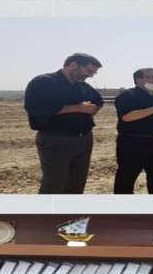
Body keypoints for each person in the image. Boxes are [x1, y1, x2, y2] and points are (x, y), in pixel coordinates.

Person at [23, 53, 104, 194]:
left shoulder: (83, 86)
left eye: (93, 73)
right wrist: (77, 108)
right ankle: (49, 209)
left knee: (77, 185)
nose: (90, 75)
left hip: (84, 140)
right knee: (54, 186)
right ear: (73, 65)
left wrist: (93, 109)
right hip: (56, 140)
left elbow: (99, 101)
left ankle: (70, 209)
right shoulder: (44, 82)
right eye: (88, 71)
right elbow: (36, 108)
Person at [113, 68, 153, 195]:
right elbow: (127, 117)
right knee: (126, 178)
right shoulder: (127, 95)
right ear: (138, 80)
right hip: (133, 142)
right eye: (150, 77)